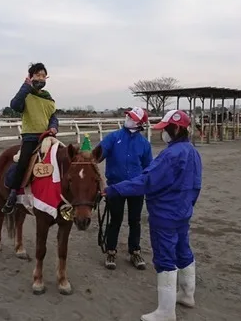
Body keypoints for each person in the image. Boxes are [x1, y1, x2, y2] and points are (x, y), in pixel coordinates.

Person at [104, 110, 202, 321]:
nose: (162, 133)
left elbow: (147, 180)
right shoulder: (192, 152)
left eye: (165, 129)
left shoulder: (171, 155)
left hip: (165, 213)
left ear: (176, 129)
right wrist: (187, 205)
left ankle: (166, 312)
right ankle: (187, 293)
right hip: (183, 212)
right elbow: (197, 185)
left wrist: (114, 190)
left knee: (165, 257)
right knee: (183, 249)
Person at [97, 107, 153, 271]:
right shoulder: (113, 138)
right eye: (128, 115)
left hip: (136, 188)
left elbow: (148, 167)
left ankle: (135, 251)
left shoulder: (144, 144)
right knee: (115, 219)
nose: (128, 118)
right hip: (116, 187)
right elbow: (98, 155)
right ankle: (111, 250)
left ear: (140, 123)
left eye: (132, 117)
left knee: (135, 220)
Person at [2, 63, 58, 213]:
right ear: (31, 77)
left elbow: (53, 117)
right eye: (37, 75)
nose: (40, 78)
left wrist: (54, 127)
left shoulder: (48, 98)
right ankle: (13, 193)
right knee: (23, 162)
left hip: (47, 137)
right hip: (30, 137)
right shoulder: (26, 94)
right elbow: (15, 105)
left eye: (43, 75)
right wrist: (25, 86)